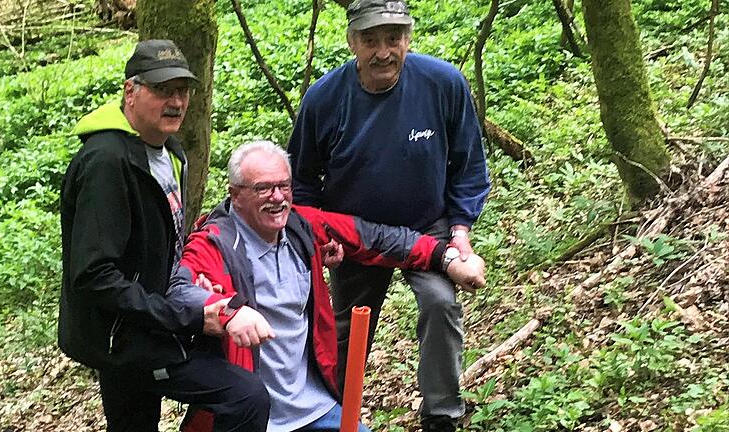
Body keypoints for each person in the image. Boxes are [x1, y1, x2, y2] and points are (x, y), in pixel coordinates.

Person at [173, 141, 486, 432]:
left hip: (315, 407)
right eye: (263, 189)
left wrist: (446, 258)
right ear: (235, 194)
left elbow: (375, 237)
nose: (278, 197)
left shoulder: (301, 227)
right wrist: (225, 311)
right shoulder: (214, 243)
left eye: (284, 186)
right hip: (251, 416)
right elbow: (180, 288)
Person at [287, 0, 491, 430]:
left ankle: (441, 416)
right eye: (370, 40)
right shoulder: (324, 99)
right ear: (351, 43)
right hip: (353, 234)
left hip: (428, 225)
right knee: (345, 329)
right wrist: (321, 237)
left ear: (408, 38)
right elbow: (301, 182)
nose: (383, 51)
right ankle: (334, 413)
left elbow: (468, 166)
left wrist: (460, 231)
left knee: (440, 303)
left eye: (393, 39)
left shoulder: (443, 83)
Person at [59, 39, 270, 432]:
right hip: (126, 339)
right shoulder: (106, 161)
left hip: (151, 321)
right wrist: (187, 313)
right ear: (130, 92)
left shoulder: (168, 151)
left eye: (182, 90)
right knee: (245, 397)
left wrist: (190, 286)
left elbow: (161, 252)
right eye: (161, 90)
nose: (175, 101)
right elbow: (93, 276)